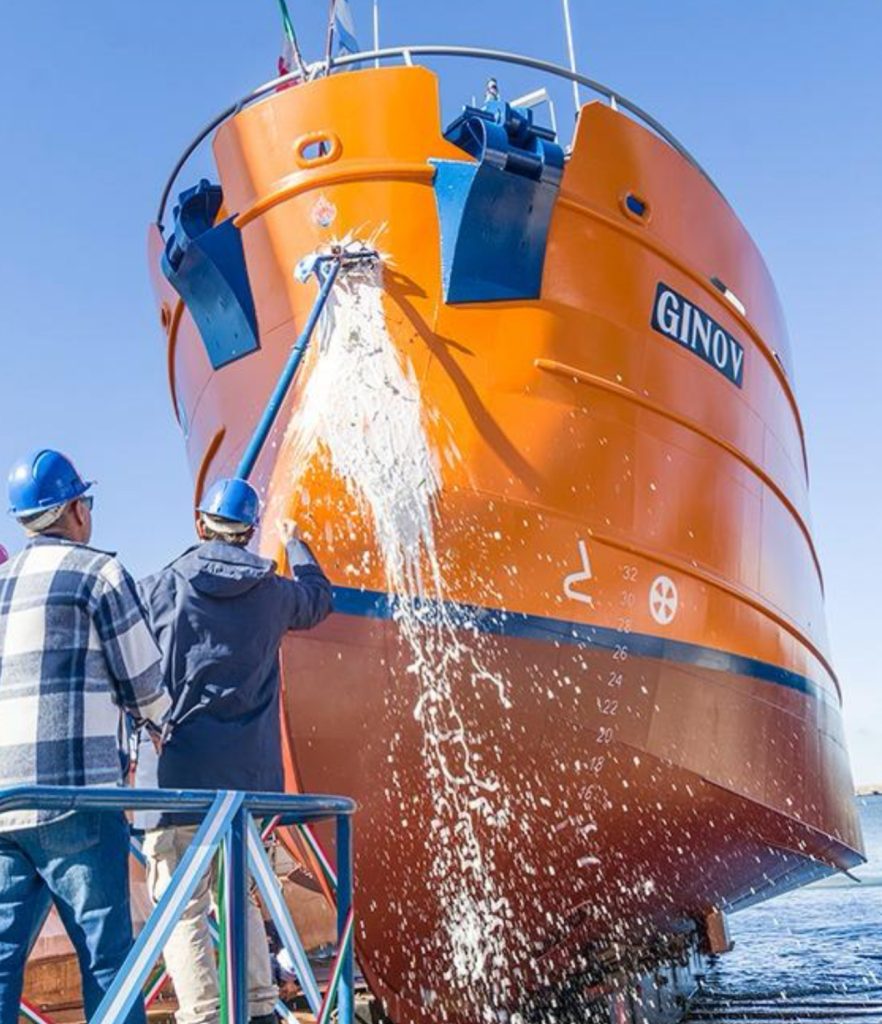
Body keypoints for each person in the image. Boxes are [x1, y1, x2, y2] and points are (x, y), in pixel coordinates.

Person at [137, 476, 333, 1024]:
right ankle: (259, 1007)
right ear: (249, 532)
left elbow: (125, 649)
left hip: (177, 776)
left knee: (182, 907)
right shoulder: (273, 593)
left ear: (202, 524)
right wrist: (296, 543)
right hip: (247, 782)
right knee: (240, 895)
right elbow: (319, 600)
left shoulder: (165, 585)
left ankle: (202, 1014)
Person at [0, 449, 169, 1023]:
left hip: (4, 804)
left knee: (0, 961)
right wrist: (162, 724)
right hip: (76, 797)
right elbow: (144, 683)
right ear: (74, 509)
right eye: (87, 502)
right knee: (108, 962)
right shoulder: (99, 573)